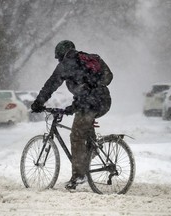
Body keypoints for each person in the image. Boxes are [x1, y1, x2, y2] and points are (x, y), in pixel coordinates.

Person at [31, 40, 113, 189]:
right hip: (103, 100)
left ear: (62, 54)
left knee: (76, 135)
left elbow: (51, 85)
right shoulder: (89, 58)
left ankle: (79, 175)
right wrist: (77, 104)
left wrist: (38, 103)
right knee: (83, 128)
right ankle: (90, 151)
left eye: (58, 58)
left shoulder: (66, 64)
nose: (58, 60)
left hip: (90, 103)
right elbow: (107, 77)